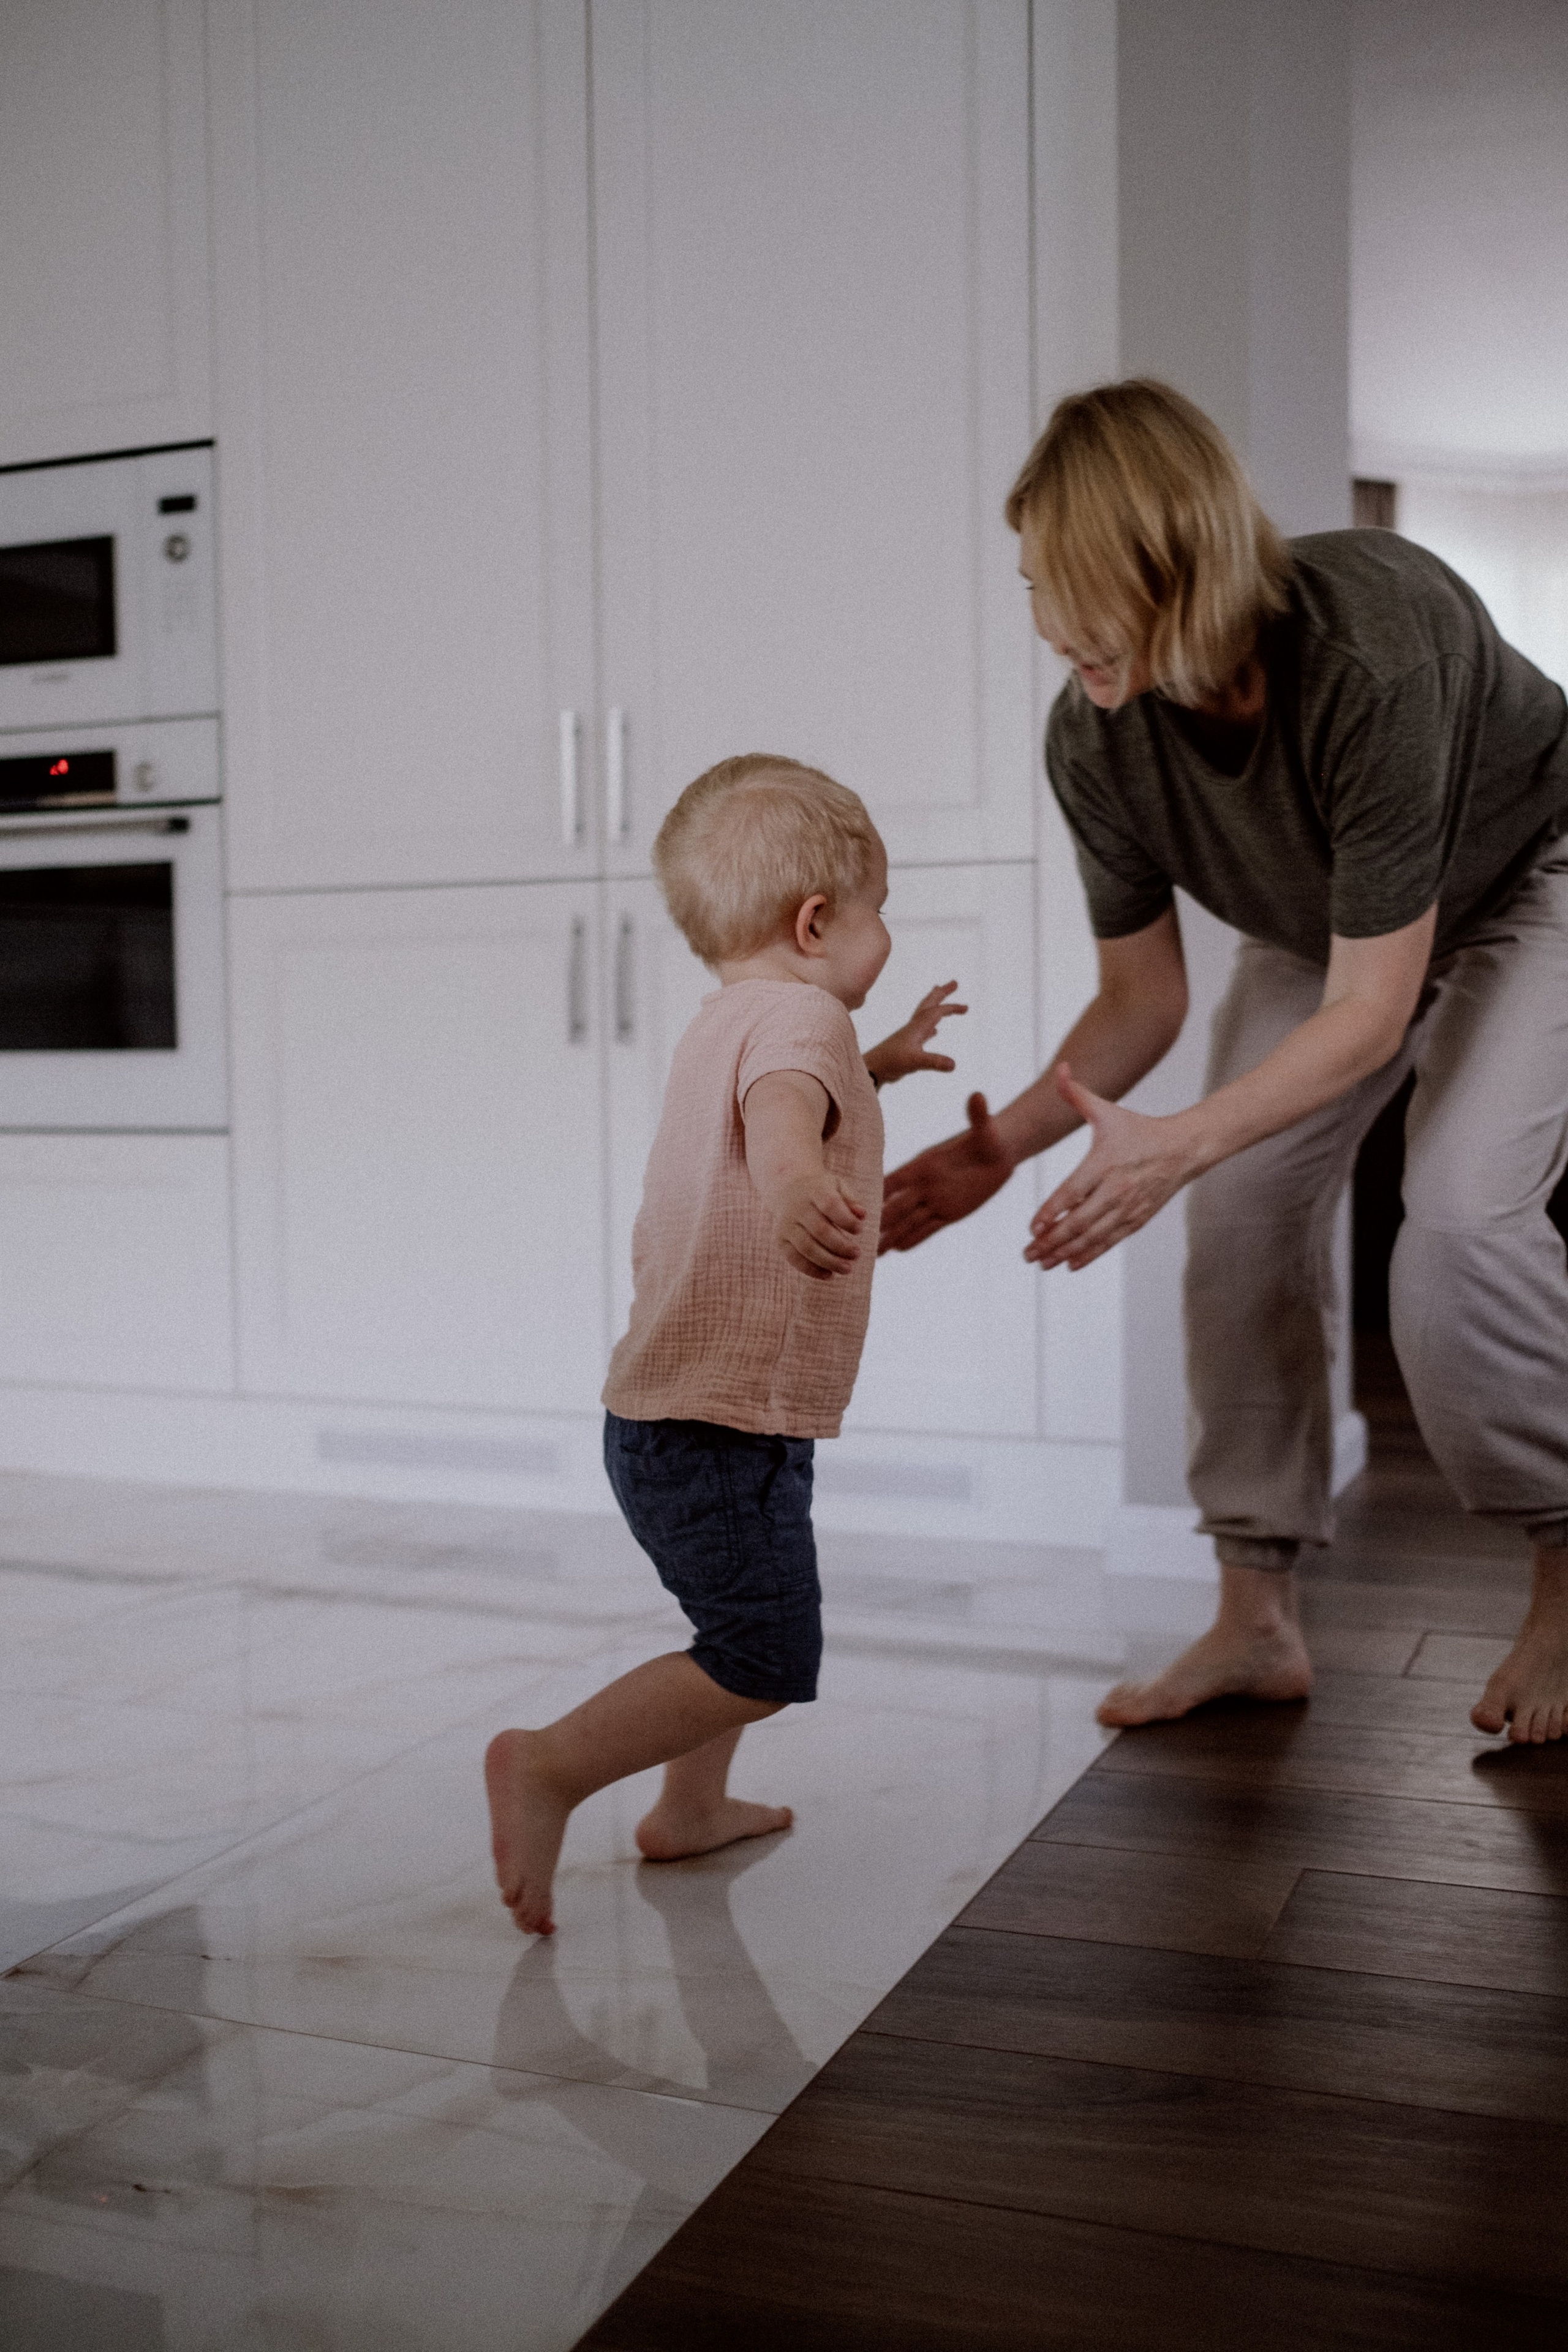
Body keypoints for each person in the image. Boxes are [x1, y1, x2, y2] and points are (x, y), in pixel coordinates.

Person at [882, 377, 1568, 1745]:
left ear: (1172, 561)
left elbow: (1369, 1019)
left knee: (1458, 1223)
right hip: (1327, 924)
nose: (1047, 625)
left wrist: (1177, 1137)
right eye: (1032, 583)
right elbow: (1137, 999)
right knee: (1240, 1221)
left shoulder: (1376, 639)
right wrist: (998, 1145)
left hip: (1527, 875)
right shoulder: (1094, 734)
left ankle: (1563, 1564)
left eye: (1073, 587)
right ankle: (1253, 1617)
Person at [485, 753, 966, 1932]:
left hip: (700, 1416)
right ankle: (546, 1765)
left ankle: (690, 1813)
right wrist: (801, 1184)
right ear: (817, 921)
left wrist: (884, 1058)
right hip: (712, 1424)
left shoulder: (735, 1017)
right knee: (764, 1653)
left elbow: (795, 1078)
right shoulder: (801, 1020)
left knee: (733, 1624)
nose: (887, 930)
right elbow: (785, 1111)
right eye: (881, 909)